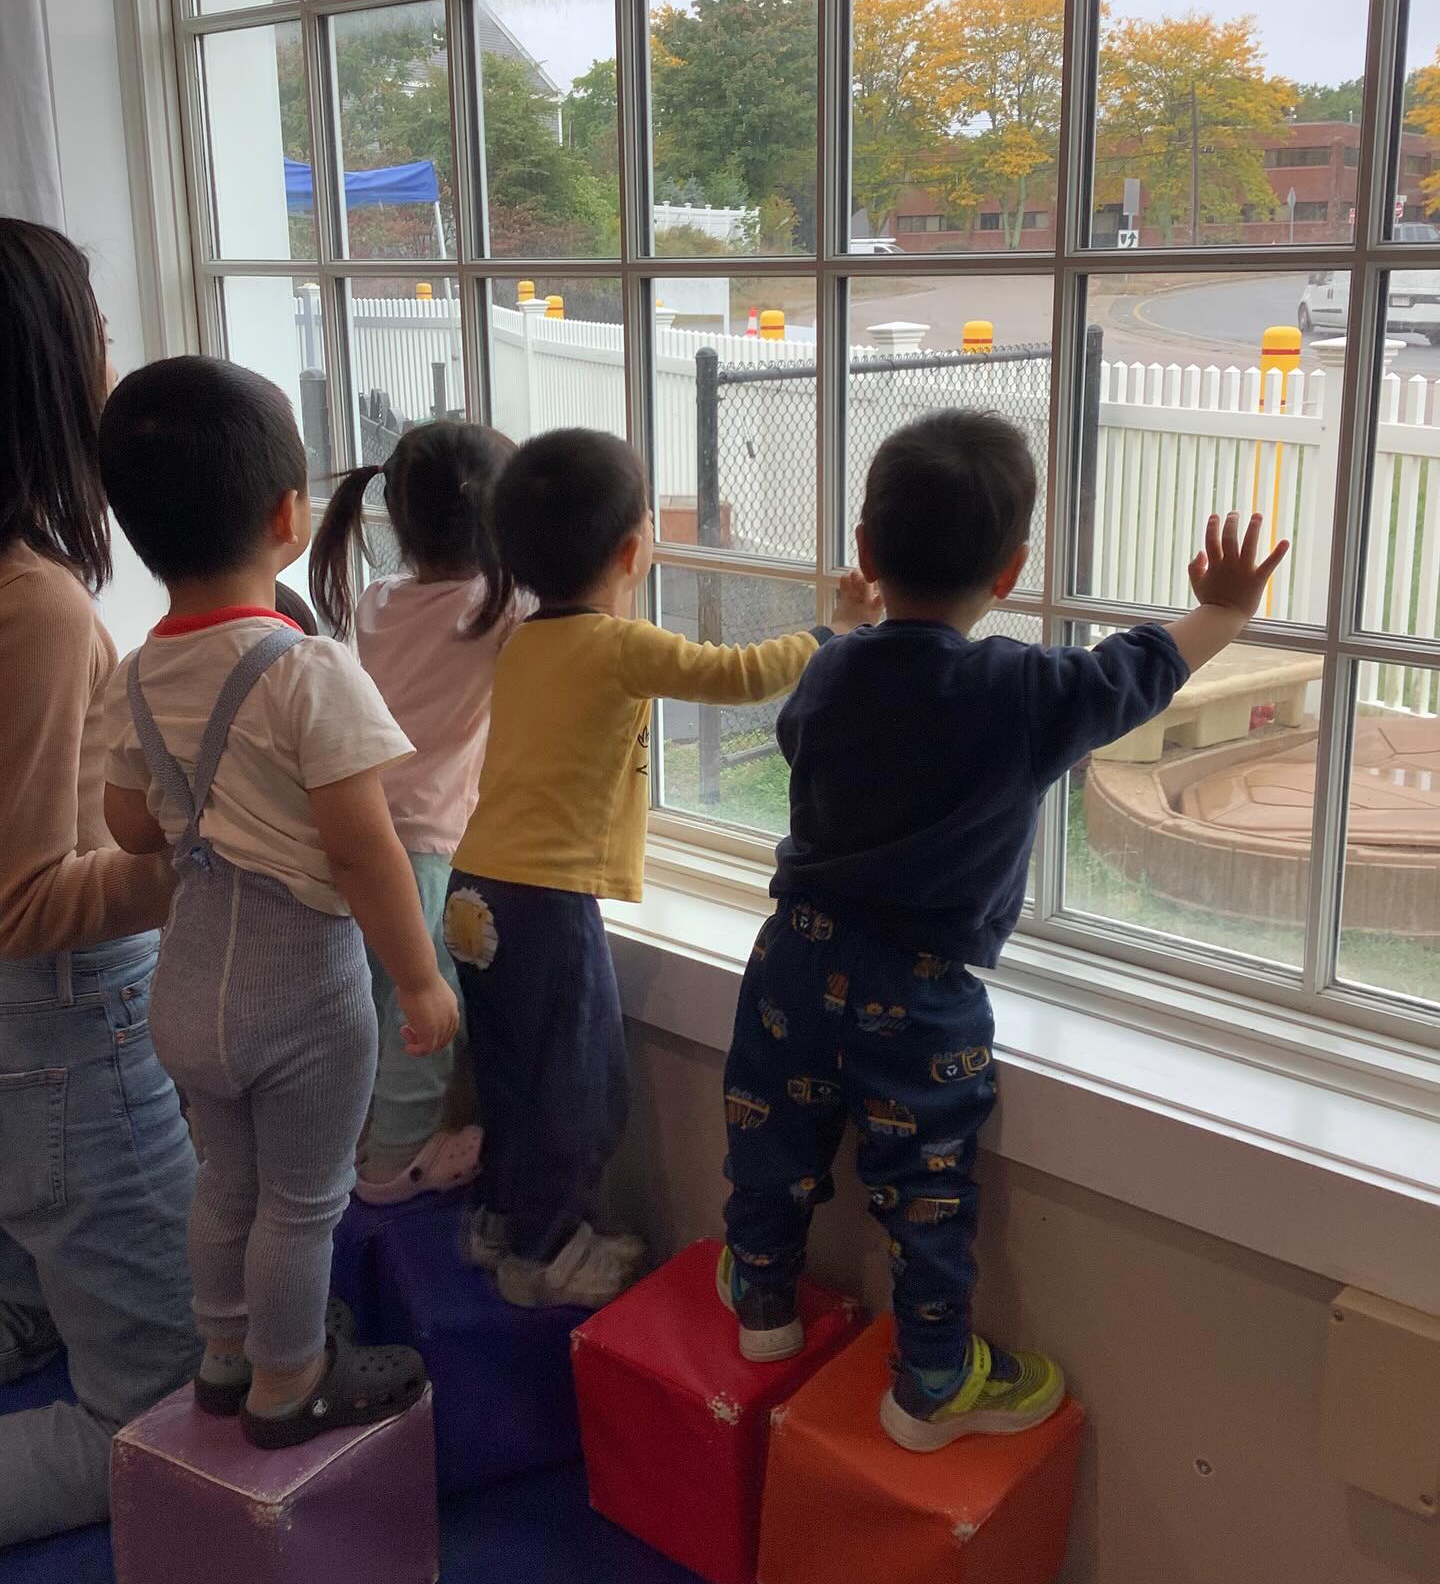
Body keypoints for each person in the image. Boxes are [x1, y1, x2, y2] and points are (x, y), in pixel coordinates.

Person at [717, 410, 1289, 1452]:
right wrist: (1226, 609)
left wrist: (846, 625)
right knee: (926, 1193)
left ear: (864, 553)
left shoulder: (830, 666)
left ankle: (762, 1304)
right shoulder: (1022, 690)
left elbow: (810, 732)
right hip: (921, 991)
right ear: (1015, 568)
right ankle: (930, 1385)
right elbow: (1143, 665)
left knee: (769, 1140)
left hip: (792, 956)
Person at [98, 356, 460, 1450]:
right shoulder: (309, 670)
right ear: (286, 516)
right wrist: (418, 976)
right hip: (299, 991)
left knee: (226, 1186)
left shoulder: (140, 669)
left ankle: (222, 1354)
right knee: (303, 1201)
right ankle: (289, 1379)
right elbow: (365, 852)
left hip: (186, 980)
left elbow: (125, 825)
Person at [444, 428, 880, 1312]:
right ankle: (549, 1254)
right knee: (579, 1082)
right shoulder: (616, 643)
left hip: (475, 889)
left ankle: (499, 1221)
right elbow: (739, 674)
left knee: (510, 1069)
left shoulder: (523, 640)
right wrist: (836, 632)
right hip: (542, 898)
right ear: (634, 550)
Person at [0, 217, 198, 1545]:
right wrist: (202, 856)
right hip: (67, 1040)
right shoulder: (32, 606)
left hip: (32, 1060)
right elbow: (19, 903)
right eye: (99, 340)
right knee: (173, 1410)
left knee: (35, 1294)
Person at [310, 422, 521, 1206]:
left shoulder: (374, 601)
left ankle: (357, 1141)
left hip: (348, 828)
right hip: (427, 846)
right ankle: (394, 1165)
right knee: (425, 1005)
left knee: (364, 998)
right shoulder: (502, 608)